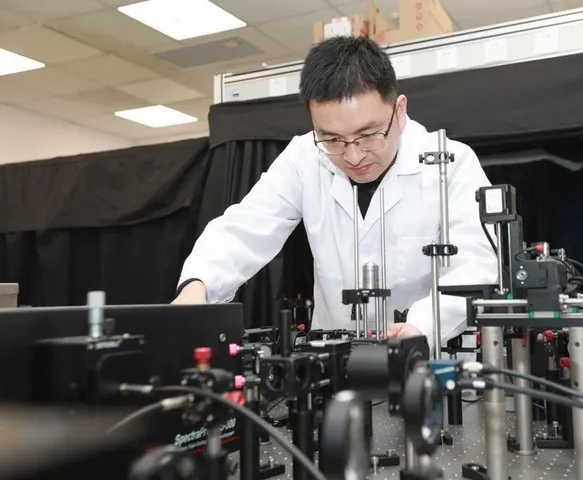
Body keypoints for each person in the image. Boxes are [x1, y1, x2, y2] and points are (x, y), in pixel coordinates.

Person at [173, 36, 498, 346]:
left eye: (368, 135)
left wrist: (422, 325)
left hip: (432, 355)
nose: (353, 156)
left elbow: (477, 265)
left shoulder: (450, 162)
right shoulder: (304, 156)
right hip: (334, 361)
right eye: (332, 139)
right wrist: (197, 286)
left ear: (399, 111)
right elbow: (244, 229)